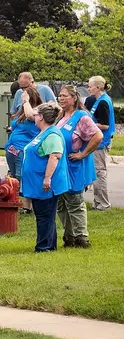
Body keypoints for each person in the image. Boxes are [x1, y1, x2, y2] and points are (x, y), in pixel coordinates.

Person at [56, 86, 102, 248]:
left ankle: (82, 238)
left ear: (74, 98)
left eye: (64, 96)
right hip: (61, 167)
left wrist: (83, 154)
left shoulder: (82, 117)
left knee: (75, 203)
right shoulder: (61, 116)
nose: (61, 99)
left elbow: (98, 136)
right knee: (61, 204)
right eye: (59, 96)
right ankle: (69, 237)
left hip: (74, 166)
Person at [21, 102, 69, 253]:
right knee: (44, 215)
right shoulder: (44, 132)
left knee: (45, 216)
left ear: (41, 117)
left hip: (45, 184)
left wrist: (47, 178)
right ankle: (49, 245)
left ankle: (44, 247)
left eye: (35, 114)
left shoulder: (52, 135)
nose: (33, 117)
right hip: (37, 183)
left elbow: (54, 156)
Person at [4, 86, 43, 213]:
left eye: (24, 96)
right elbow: (18, 124)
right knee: (15, 176)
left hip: (23, 149)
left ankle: (28, 206)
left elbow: (30, 116)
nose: (22, 99)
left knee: (23, 175)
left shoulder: (36, 112)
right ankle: (15, 201)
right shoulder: (22, 111)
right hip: (12, 149)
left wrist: (26, 101)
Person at [87, 75, 115, 211]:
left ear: (97, 87)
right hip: (97, 141)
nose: (88, 88)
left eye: (90, 86)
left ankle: (103, 204)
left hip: (101, 141)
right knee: (96, 172)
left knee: (99, 172)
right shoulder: (100, 100)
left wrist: (88, 124)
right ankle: (97, 202)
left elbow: (105, 125)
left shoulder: (103, 102)